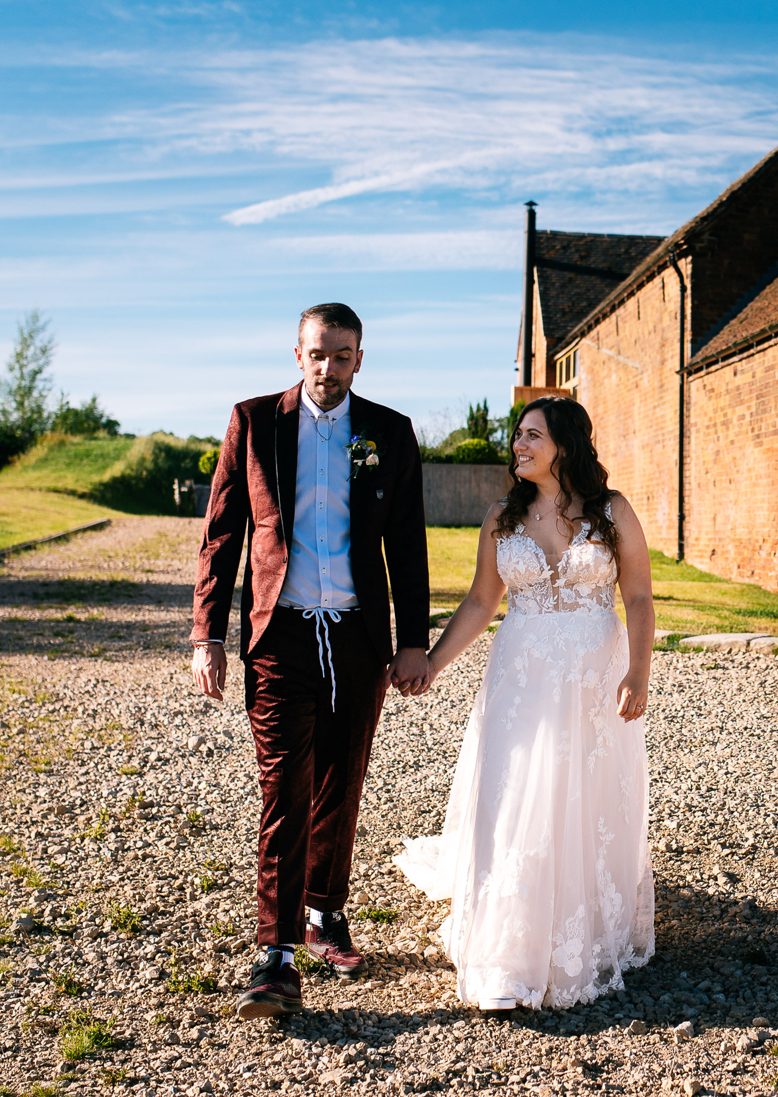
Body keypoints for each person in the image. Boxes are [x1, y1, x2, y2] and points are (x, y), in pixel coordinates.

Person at [190, 303, 432, 1019]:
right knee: (284, 788)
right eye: (318, 354)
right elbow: (221, 533)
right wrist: (207, 635)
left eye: (344, 355)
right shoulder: (255, 421)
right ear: (297, 354)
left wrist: (412, 639)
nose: (330, 368)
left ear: (361, 359)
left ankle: (325, 911)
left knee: (342, 780)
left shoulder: (389, 432)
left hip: (358, 636)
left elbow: (408, 543)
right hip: (281, 635)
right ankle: (276, 954)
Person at [393, 396, 656, 1011]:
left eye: (533, 435)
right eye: (518, 436)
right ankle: (507, 953)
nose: (519, 445)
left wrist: (638, 672)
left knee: (583, 794)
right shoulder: (500, 519)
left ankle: (581, 928)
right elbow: (483, 603)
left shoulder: (613, 514)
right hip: (521, 677)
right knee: (513, 796)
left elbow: (639, 598)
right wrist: (432, 662)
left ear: (564, 444)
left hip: (594, 677)